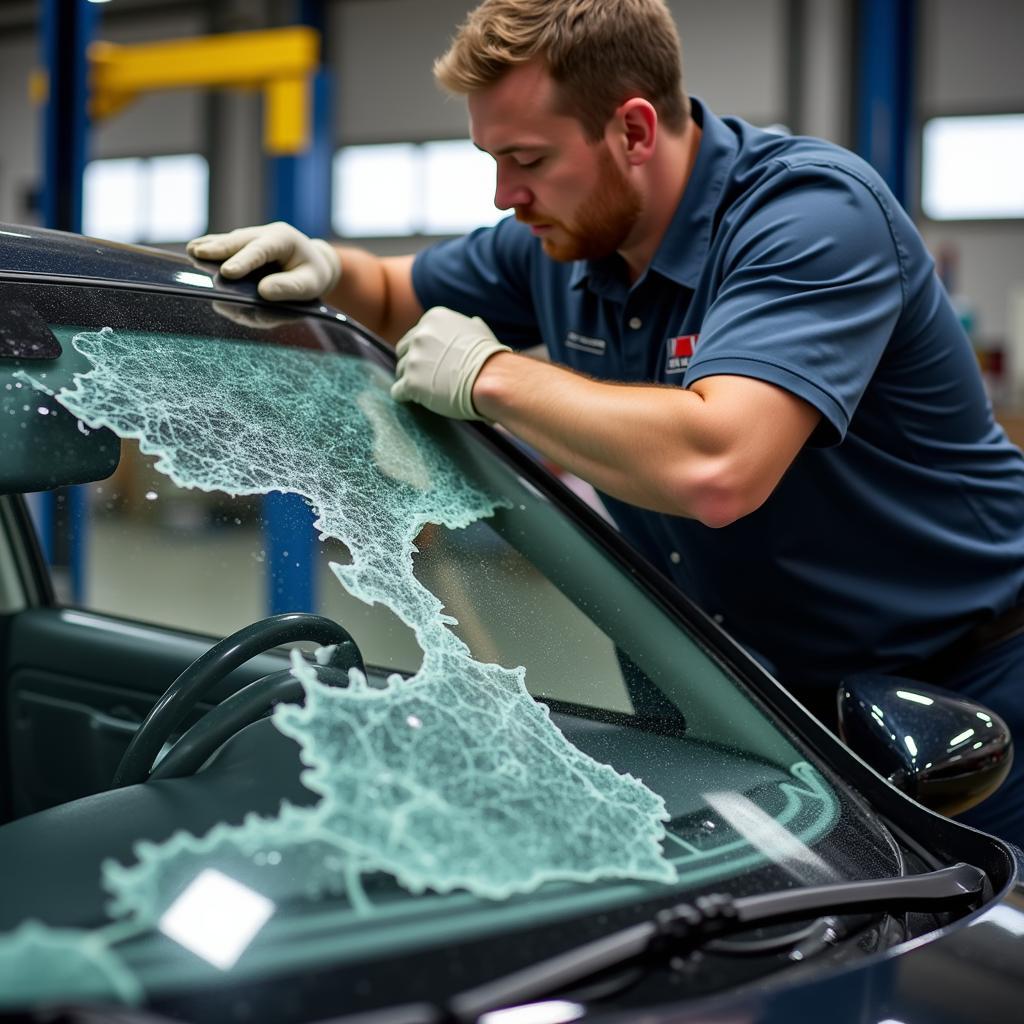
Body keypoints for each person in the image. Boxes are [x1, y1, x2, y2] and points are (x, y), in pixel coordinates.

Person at [188, 0, 1024, 843]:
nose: (504, 195)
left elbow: (719, 465)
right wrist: (327, 266)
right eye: (491, 159)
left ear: (632, 129)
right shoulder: (564, 243)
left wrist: (490, 375)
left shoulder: (807, 215)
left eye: (527, 159)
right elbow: (396, 293)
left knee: (977, 962)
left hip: (967, 689)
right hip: (763, 695)